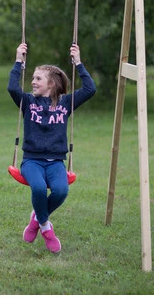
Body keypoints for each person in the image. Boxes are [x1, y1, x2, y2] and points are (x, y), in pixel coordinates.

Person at [7, 42, 96, 253]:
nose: (33, 82)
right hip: (32, 161)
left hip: (56, 162)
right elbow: (12, 87)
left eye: (38, 79)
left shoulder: (65, 103)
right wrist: (18, 61)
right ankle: (46, 228)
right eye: (33, 78)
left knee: (61, 191)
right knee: (38, 188)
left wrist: (78, 63)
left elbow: (90, 89)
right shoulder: (28, 102)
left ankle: (36, 218)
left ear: (52, 84)